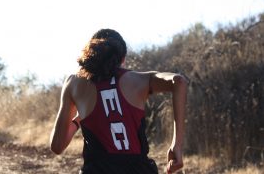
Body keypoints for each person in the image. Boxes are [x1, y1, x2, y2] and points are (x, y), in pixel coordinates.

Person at [50, 29, 187, 174]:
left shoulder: (74, 83)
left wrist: (78, 119)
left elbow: (57, 146)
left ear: (92, 53)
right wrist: (176, 145)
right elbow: (179, 81)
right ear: (122, 59)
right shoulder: (138, 80)